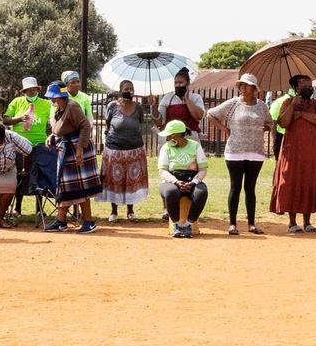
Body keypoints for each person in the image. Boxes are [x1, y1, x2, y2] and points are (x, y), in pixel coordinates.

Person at [207, 72, 272, 235]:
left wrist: (264, 128)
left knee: (250, 188)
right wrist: (224, 129)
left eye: (246, 85)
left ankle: (251, 224)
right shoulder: (233, 103)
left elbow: (270, 122)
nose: (242, 87)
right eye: (241, 85)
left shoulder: (261, 105)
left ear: (254, 88)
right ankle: (233, 224)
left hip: (255, 152)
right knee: (235, 187)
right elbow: (210, 114)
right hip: (234, 151)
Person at [270, 73, 316, 233]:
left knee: (309, 182)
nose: (309, 89)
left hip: (313, 152)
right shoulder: (288, 103)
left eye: (310, 86)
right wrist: (293, 107)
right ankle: (292, 223)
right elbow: (283, 123)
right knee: (291, 183)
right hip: (293, 152)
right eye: (305, 86)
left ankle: (307, 222)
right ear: (296, 88)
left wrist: (302, 115)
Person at [46, 82, 101, 233]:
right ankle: (61, 221)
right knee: (67, 185)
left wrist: (79, 151)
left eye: (54, 97)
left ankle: (89, 222)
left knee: (81, 187)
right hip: (68, 148)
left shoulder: (73, 106)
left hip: (77, 148)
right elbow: (62, 127)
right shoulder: (61, 108)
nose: (52, 100)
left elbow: (85, 126)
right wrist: (52, 135)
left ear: (60, 96)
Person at [5, 77, 56, 221]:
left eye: (34, 89)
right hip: (19, 145)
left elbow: (54, 120)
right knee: (20, 175)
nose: (32, 91)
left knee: (39, 176)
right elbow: (5, 119)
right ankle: (17, 207)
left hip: (39, 145)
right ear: (24, 91)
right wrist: (19, 118)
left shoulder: (47, 104)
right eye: (28, 89)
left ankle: (39, 209)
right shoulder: (16, 102)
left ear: (38, 90)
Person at [100, 82, 149, 219]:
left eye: (131, 89)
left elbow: (139, 123)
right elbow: (108, 123)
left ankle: (130, 211)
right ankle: (114, 211)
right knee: (114, 179)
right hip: (114, 149)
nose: (129, 91)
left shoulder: (138, 108)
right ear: (120, 91)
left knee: (131, 180)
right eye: (126, 89)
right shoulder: (113, 106)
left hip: (134, 150)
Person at [156, 119, 209, 236]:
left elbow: (203, 169)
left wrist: (194, 182)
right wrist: (176, 182)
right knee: (171, 192)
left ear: (175, 136)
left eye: (168, 135)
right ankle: (177, 225)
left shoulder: (195, 146)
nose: (167, 138)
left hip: (192, 179)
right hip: (171, 180)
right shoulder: (166, 148)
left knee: (201, 192)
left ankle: (189, 224)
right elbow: (163, 170)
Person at [158, 68, 207, 139]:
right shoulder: (167, 98)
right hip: (172, 138)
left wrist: (187, 100)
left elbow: (199, 116)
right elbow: (160, 121)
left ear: (187, 83)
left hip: (191, 139)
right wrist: (153, 105)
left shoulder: (195, 98)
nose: (178, 85)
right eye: (176, 83)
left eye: (181, 82)